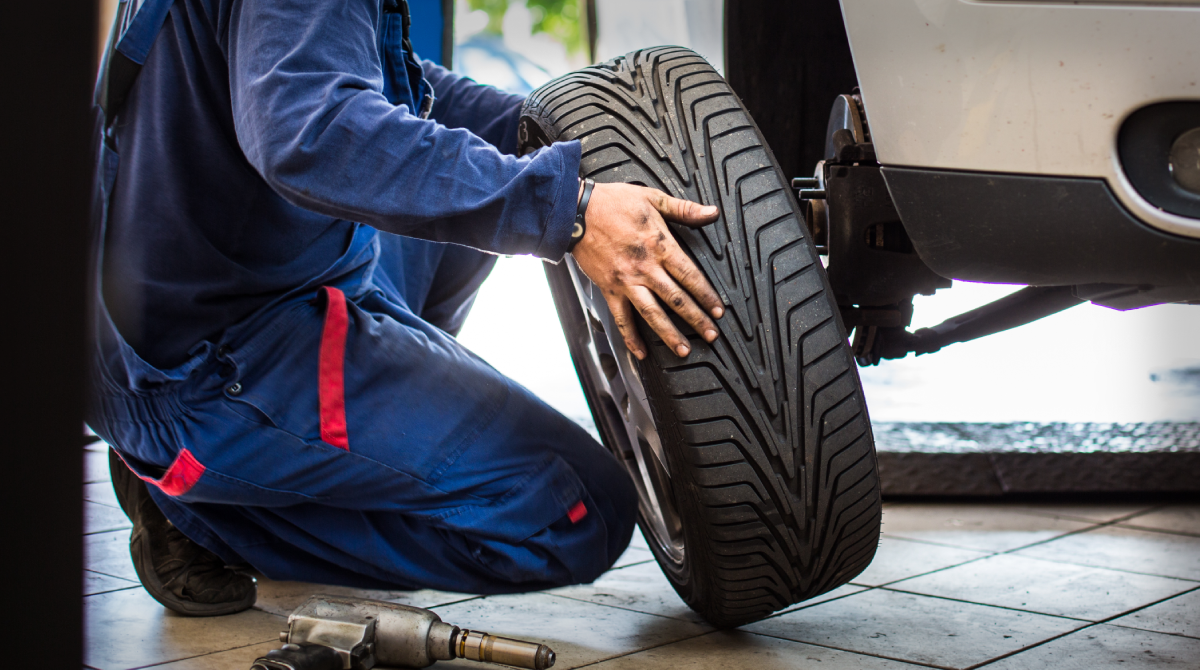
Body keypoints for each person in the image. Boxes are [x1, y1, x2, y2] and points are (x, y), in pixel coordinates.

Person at [89, 0, 724, 616]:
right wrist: (573, 212)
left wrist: (554, 136)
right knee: (582, 510)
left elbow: (379, 85)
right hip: (208, 364)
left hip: (193, 297)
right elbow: (310, 132)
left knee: (465, 200)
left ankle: (347, 454)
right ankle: (204, 510)